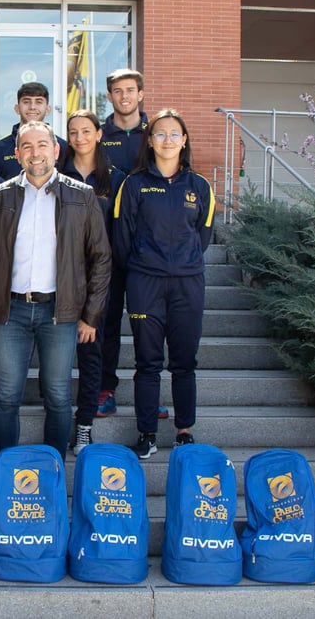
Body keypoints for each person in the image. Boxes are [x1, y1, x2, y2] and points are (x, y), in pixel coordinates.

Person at [0, 120, 111, 458]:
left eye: (42, 145)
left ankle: (53, 466)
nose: (36, 153)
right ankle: (6, 466)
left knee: (58, 395)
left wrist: (90, 316)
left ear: (56, 150)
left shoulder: (82, 196)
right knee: (6, 396)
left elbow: (101, 258)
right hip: (11, 312)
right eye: (28, 147)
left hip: (60, 312)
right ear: (17, 153)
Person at [113, 108, 216, 459]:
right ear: (150, 141)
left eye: (174, 134)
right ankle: (147, 433)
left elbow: (203, 236)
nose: (167, 140)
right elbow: (122, 238)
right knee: (147, 361)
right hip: (145, 284)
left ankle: (184, 430)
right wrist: (146, 265)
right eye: (160, 134)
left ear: (184, 140)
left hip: (188, 284)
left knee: (184, 361)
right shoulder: (134, 184)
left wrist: (181, 264)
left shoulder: (199, 186)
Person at [58, 109, 126, 455]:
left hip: (101, 277)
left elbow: (122, 231)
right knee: (56, 354)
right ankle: (57, 419)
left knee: (92, 350)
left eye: (86, 131)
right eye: (73, 132)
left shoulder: (116, 178)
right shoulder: (57, 176)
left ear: (99, 134)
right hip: (60, 277)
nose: (80, 138)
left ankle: (84, 424)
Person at [95, 67, 154, 420]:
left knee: (149, 325)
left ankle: (150, 393)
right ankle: (106, 389)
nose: (124, 96)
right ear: (110, 96)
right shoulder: (101, 136)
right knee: (108, 322)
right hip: (108, 244)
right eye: (117, 91)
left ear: (141, 94)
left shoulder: (155, 133)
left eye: (130, 90)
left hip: (148, 246)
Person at [0, 82, 63, 180]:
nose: (32, 107)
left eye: (38, 102)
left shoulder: (63, 148)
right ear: (17, 108)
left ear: (48, 109)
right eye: (26, 102)